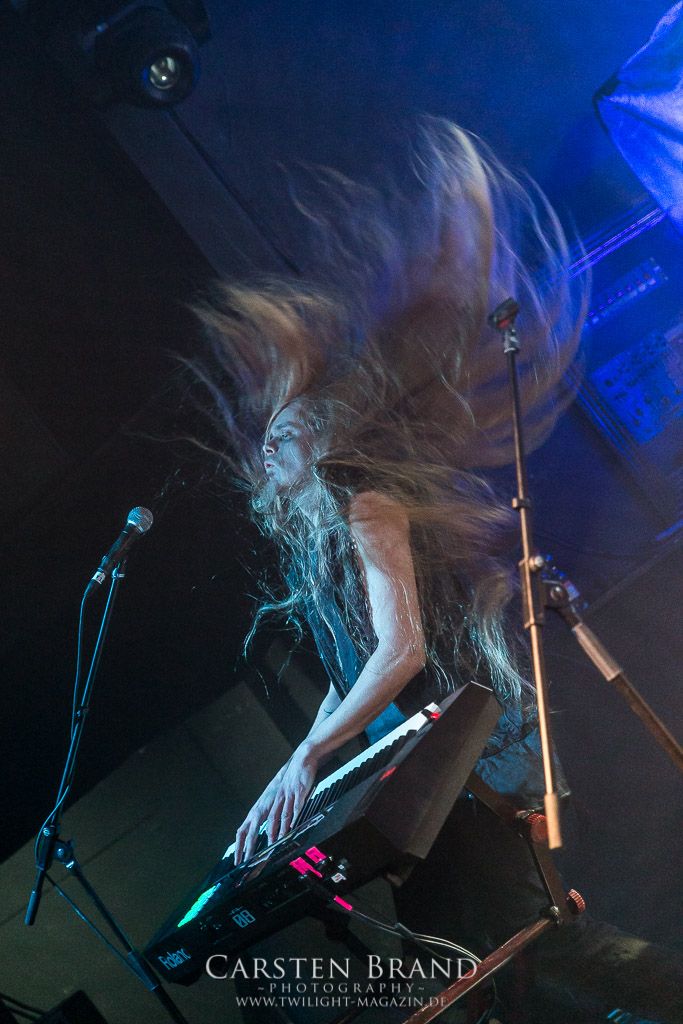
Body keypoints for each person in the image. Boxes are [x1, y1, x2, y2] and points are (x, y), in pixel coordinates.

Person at [190, 119, 683, 1022]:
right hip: (438, 770)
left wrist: (305, 756)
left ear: (321, 437)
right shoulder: (325, 543)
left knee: (519, 946)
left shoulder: (364, 498)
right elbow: (360, 667)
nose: (265, 451)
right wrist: (302, 775)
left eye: (282, 433)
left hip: (470, 764)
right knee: (494, 955)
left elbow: (403, 651)